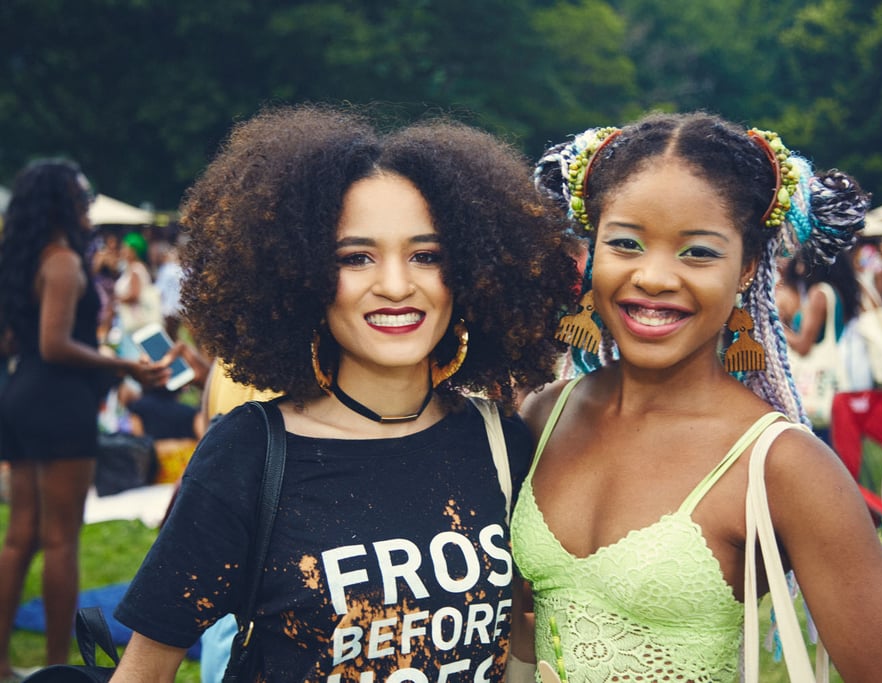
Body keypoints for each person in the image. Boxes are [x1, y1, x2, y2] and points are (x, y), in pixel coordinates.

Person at [109, 105, 579, 681]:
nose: (395, 285)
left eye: (426, 256)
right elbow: (145, 669)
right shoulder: (251, 452)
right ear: (300, 275)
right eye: (356, 257)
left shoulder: (502, 442)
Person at [509, 112, 882, 681]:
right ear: (593, 251)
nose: (656, 277)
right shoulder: (545, 413)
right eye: (626, 243)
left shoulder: (781, 465)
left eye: (698, 252)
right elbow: (520, 637)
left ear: (748, 269)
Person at [0, 160, 172, 681]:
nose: (87, 204)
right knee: (60, 539)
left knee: (20, 536)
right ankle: (56, 666)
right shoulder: (63, 263)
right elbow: (56, 344)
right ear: (63, 203)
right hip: (58, 403)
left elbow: (19, 342)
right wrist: (124, 366)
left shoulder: (22, 260)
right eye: (81, 195)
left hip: (22, 393)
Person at [783, 246, 864, 442]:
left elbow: (804, 345)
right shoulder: (835, 292)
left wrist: (778, 327)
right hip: (831, 372)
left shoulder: (818, 294)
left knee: (814, 441)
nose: (799, 267)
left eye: (803, 262)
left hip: (814, 379)